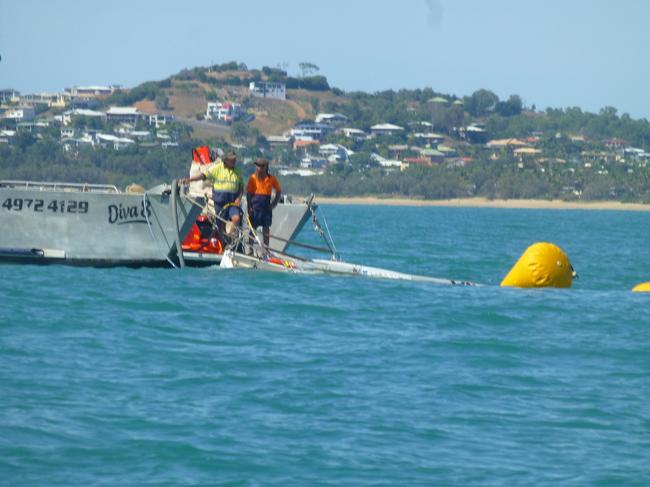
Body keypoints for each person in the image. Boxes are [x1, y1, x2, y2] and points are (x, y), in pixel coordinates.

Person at [181, 150, 243, 236]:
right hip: (220, 202)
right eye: (232, 160)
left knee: (236, 218)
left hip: (232, 202)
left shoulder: (238, 171)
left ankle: (231, 236)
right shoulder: (217, 168)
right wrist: (189, 180)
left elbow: (241, 188)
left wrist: (239, 198)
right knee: (220, 223)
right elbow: (203, 175)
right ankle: (222, 240)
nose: (234, 162)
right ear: (226, 160)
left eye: (234, 160)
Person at [246, 157, 282, 250]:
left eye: (261, 166)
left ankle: (266, 250)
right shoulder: (252, 178)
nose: (259, 168)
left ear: (266, 167)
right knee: (252, 229)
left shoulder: (272, 179)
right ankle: (250, 249)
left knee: (266, 229)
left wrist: (274, 204)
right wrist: (249, 207)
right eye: (258, 166)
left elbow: (278, 191)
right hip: (255, 207)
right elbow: (249, 194)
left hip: (266, 207)